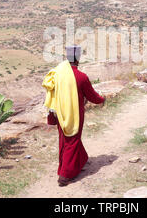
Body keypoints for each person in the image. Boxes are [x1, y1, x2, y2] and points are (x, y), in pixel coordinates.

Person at [42, 45, 105, 187]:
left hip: (59, 113)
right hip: (74, 113)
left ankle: (81, 160)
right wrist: (102, 100)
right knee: (72, 141)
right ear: (78, 58)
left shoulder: (57, 73)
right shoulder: (81, 76)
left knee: (66, 139)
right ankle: (65, 175)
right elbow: (92, 96)